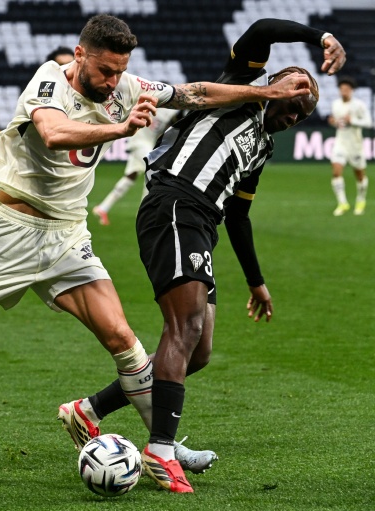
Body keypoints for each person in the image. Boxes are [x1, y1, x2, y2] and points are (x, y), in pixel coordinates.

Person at [0, 13, 315, 472]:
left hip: (67, 236)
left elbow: (195, 93)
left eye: (121, 71)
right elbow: (53, 134)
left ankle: (164, 447)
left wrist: (265, 93)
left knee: (123, 339)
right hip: (8, 230)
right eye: (105, 70)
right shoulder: (48, 82)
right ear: (79, 55)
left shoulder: (128, 87)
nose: (114, 81)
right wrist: (122, 128)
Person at [58, 19, 346, 493]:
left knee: (200, 349)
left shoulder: (262, 147)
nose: (294, 115)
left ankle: (87, 410)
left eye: (303, 114)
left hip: (204, 223)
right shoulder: (238, 87)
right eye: (293, 102)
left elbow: (239, 215)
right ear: (273, 85)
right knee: (185, 328)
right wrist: (322, 39)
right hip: (174, 203)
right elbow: (260, 31)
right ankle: (161, 452)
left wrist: (256, 281)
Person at [92, 107, 181, 225]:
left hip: (147, 143)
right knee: (153, 171)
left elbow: (171, 125)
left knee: (131, 176)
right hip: (139, 142)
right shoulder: (156, 102)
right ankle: (145, 211)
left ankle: (103, 208)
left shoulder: (171, 111)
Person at [328, 76, 371, 216]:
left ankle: (360, 199)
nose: (343, 92)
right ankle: (342, 203)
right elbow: (338, 123)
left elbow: (368, 123)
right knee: (336, 172)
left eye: (346, 89)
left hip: (355, 145)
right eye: (341, 89)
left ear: (351, 90)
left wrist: (352, 120)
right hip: (340, 143)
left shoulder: (358, 105)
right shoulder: (335, 104)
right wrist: (333, 122)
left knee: (359, 175)